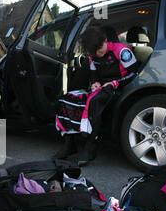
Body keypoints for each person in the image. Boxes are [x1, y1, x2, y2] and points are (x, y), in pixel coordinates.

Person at [54, 26, 139, 166]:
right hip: (101, 89)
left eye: (100, 50)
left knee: (95, 101)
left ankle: (90, 147)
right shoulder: (93, 55)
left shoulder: (122, 51)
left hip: (119, 88)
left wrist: (114, 83)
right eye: (94, 52)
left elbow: (134, 73)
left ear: (105, 40)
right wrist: (95, 83)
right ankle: (69, 145)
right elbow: (94, 76)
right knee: (66, 99)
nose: (98, 54)